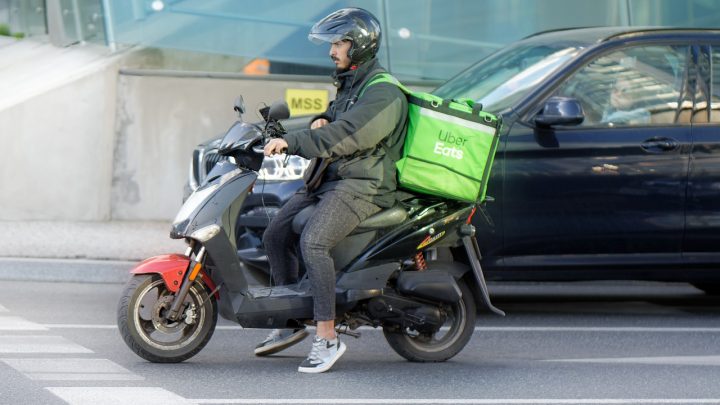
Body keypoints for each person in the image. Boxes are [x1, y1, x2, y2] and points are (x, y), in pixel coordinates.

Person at [258, 8, 408, 373]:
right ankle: (289, 322)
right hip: (330, 178)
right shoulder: (351, 83)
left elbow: (346, 135)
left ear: (359, 45)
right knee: (275, 234)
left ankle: (327, 336)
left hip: (364, 186)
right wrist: (317, 119)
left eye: (339, 43)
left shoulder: (384, 93)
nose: (332, 51)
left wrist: (292, 141)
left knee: (314, 241)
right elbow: (332, 121)